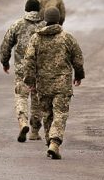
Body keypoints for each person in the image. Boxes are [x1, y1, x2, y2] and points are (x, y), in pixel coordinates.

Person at [23, 8, 84, 160]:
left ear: (45, 19)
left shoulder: (36, 38)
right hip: (62, 85)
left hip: (43, 84)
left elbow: (29, 60)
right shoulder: (67, 37)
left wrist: (30, 81)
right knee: (60, 114)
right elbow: (77, 58)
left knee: (47, 114)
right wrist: (79, 75)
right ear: (59, 20)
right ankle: (54, 142)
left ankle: (50, 142)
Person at [0, 0, 46, 142]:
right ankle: (34, 131)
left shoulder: (17, 25)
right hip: (40, 71)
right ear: (39, 10)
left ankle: (23, 122)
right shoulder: (45, 26)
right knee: (37, 100)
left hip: (22, 70)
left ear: (26, 10)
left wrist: (5, 62)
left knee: (21, 97)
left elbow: (6, 45)